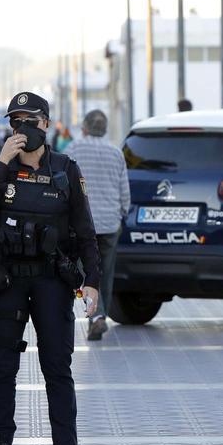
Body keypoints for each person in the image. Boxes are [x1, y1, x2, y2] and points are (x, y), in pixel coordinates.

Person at [0, 91, 99, 445]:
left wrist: (92, 282)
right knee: (1, 368)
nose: (22, 129)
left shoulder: (65, 169)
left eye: (30, 121)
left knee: (57, 368)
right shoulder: (1, 168)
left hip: (51, 282)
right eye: (15, 122)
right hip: (8, 280)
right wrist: (2, 161)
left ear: (46, 124)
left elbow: (86, 231)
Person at [65, 110, 130, 341]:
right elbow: (124, 189)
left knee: (86, 271)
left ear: (84, 127)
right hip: (110, 222)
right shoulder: (116, 152)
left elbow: (64, 184)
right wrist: (123, 212)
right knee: (106, 272)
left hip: (83, 223)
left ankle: (97, 316)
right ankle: (100, 315)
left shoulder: (73, 150)